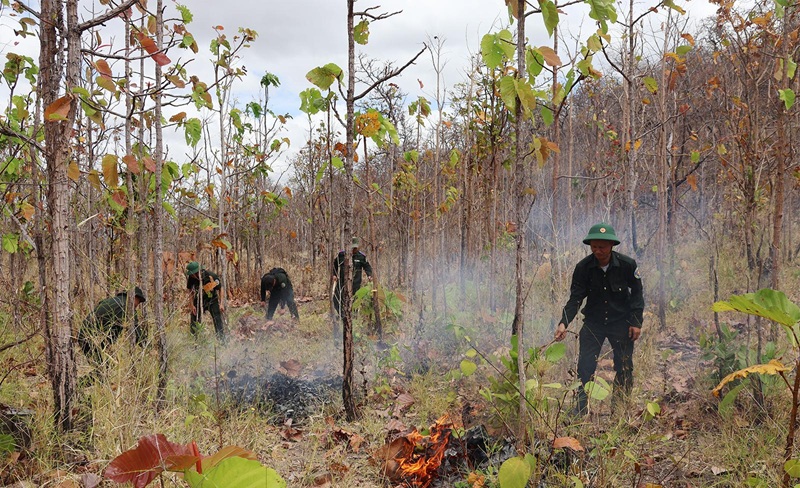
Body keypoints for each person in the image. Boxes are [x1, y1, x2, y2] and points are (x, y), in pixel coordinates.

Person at [554, 223, 644, 417]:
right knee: (585, 366)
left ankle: (619, 410)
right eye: (594, 246)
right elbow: (575, 298)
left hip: (620, 322)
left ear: (611, 245)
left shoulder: (627, 265)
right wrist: (564, 323)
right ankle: (581, 408)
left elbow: (637, 294)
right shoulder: (583, 268)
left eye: (602, 247)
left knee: (624, 366)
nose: (598, 251)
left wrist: (636, 322)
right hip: (593, 323)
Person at [78, 286, 147, 366]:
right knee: (103, 369)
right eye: (139, 301)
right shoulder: (127, 307)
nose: (138, 304)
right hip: (91, 339)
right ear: (134, 297)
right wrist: (148, 347)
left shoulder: (110, 301)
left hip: (85, 336)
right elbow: (137, 333)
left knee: (104, 367)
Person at [331, 237, 373, 318]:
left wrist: (369, 275)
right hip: (342, 282)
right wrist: (334, 274)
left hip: (355, 283)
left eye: (355, 248)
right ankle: (342, 315)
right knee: (336, 299)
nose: (354, 250)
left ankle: (353, 316)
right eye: (352, 248)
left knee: (355, 301)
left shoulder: (361, 256)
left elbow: (367, 267)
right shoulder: (341, 255)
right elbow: (335, 264)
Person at [186, 261, 225, 340]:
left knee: (217, 320)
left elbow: (220, 288)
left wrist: (221, 303)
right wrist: (192, 305)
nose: (192, 276)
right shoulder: (191, 278)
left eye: (193, 274)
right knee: (194, 319)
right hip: (198, 300)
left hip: (212, 300)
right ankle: (194, 340)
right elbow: (190, 290)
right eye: (191, 275)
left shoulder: (211, 276)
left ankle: (221, 340)